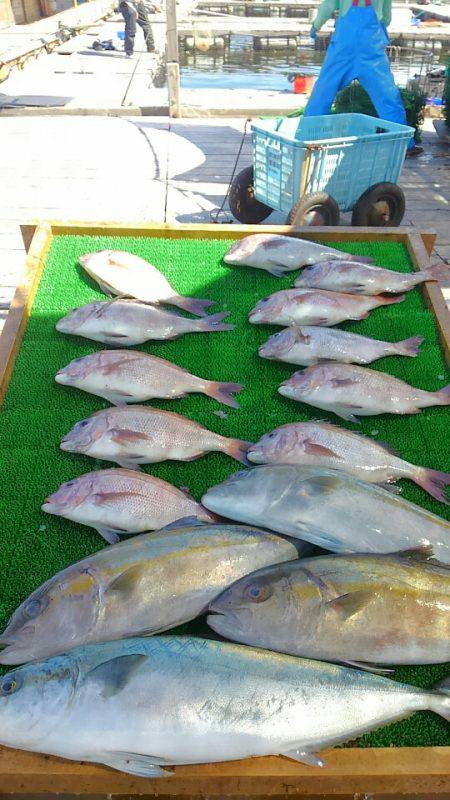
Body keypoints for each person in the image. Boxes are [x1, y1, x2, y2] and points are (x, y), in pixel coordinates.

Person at [304, 0, 423, 156]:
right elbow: (386, 18)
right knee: (388, 97)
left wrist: (316, 25)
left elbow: (328, 6)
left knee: (323, 92)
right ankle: (404, 144)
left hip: (343, 49)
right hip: (371, 52)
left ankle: (305, 138)